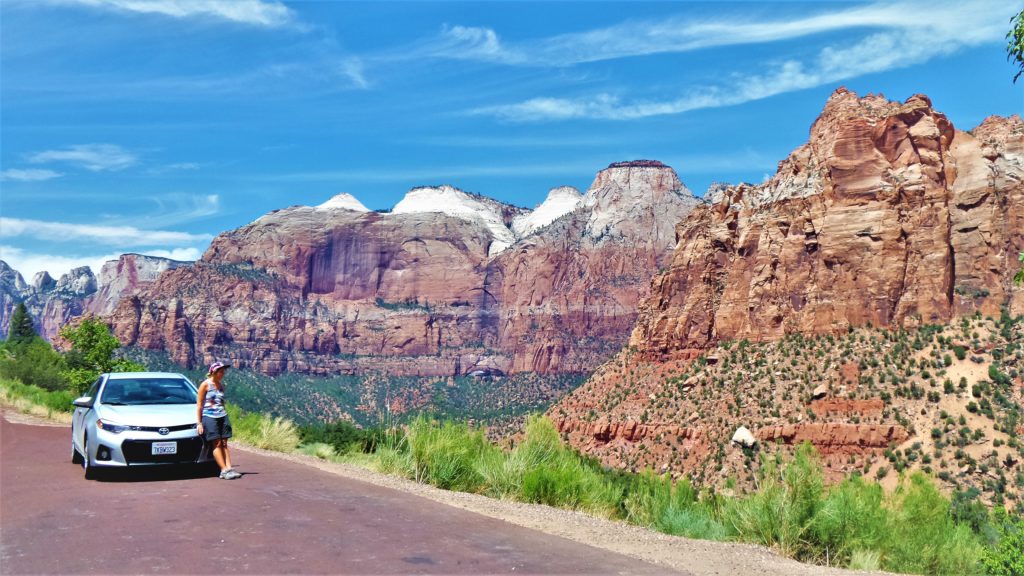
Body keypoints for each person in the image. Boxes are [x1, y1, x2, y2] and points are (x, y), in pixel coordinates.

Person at [196, 361, 241, 479]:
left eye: (223, 371)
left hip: (222, 415)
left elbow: (221, 403)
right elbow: (199, 405)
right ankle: (223, 470)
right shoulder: (205, 385)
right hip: (209, 417)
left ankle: (229, 468)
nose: (223, 373)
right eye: (221, 371)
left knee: (225, 443)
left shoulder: (221, 386)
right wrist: (199, 423)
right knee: (216, 443)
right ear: (214, 372)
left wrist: (225, 415)